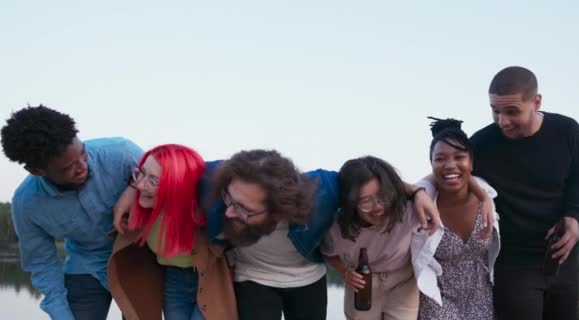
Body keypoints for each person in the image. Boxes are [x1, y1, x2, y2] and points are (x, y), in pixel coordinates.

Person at [202, 149, 441, 320]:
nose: (231, 212)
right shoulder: (213, 182)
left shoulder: (322, 192)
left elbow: (369, 184)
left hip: (306, 279)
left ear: (279, 206)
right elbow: (173, 171)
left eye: (246, 208)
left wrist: (417, 192)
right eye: (229, 199)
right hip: (253, 277)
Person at [471, 66, 579, 320]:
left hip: (561, 256)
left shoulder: (567, 132)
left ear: (536, 101)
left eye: (511, 111)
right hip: (512, 263)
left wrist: (574, 216)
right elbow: (448, 171)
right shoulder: (481, 144)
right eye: (495, 111)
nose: (502, 121)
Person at [0, 105, 143, 320]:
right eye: (68, 168)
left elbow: (167, 185)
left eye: (83, 155)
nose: (82, 167)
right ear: (37, 171)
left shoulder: (122, 153)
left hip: (138, 260)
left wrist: (133, 189)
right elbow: (43, 264)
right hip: (85, 266)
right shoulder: (27, 204)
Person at [108, 144, 237, 320]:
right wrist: (129, 190)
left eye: (153, 180)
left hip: (210, 278)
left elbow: (233, 168)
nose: (140, 185)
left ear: (176, 184)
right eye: (141, 173)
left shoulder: (205, 208)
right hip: (174, 279)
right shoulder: (139, 212)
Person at [414, 117, 500, 320]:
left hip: (481, 294)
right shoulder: (422, 201)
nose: (450, 165)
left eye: (459, 157)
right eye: (440, 159)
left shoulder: (487, 194)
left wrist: (483, 197)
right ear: (432, 165)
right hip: (437, 295)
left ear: (471, 162)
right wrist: (416, 193)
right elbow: (395, 189)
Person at [321, 156, 421, 320]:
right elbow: (328, 252)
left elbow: (441, 187)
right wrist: (344, 271)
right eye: (365, 201)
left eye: (382, 196)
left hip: (402, 282)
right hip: (362, 284)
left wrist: (419, 193)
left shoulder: (408, 210)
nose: (378, 207)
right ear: (350, 203)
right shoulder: (337, 227)